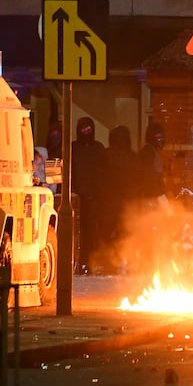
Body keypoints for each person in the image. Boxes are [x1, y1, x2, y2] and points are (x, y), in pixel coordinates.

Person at [72, 116, 107, 274]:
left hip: (93, 198)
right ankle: (77, 262)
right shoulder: (73, 148)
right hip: (75, 198)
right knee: (76, 232)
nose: (86, 131)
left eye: (89, 128)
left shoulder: (98, 148)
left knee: (91, 232)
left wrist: (98, 194)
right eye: (83, 128)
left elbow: (104, 173)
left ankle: (90, 262)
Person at [138, 122, 169, 211]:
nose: (161, 140)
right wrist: (162, 199)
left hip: (153, 197)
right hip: (151, 198)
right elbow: (150, 179)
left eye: (162, 137)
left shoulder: (152, 151)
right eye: (158, 138)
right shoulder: (148, 151)